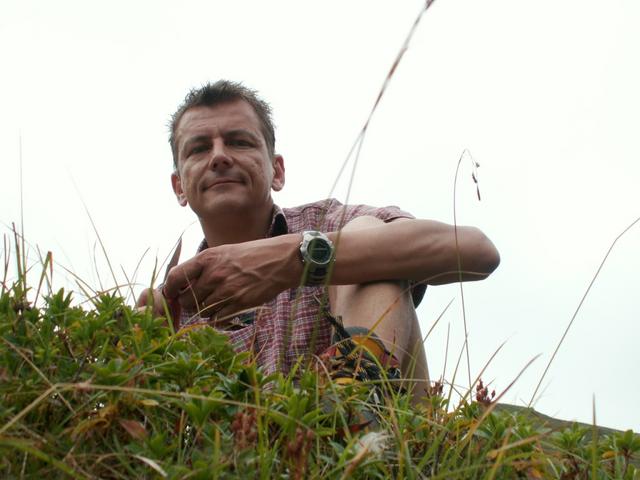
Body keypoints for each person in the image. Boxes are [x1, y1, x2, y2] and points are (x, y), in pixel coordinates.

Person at [137, 80, 500, 402]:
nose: (219, 156)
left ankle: (355, 403)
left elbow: (476, 250)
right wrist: (139, 347)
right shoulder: (173, 306)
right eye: (199, 149)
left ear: (277, 171)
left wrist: (293, 259)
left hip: (381, 439)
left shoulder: (327, 222)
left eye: (239, 142)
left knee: (367, 235)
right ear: (179, 187)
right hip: (247, 450)